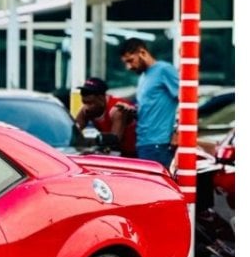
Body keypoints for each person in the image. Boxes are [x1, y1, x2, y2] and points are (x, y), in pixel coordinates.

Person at [120, 39, 178, 167]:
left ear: (142, 52)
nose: (129, 67)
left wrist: (177, 132)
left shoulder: (164, 70)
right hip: (144, 143)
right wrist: (132, 110)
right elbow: (150, 107)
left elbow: (186, 101)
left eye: (130, 61)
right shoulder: (143, 77)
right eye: (126, 63)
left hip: (159, 143)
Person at [74, 76, 137, 157]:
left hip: (132, 153)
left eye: (90, 103)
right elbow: (73, 132)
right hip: (113, 152)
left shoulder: (117, 110)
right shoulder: (86, 110)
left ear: (101, 98)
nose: (86, 107)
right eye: (84, 103)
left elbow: (113, 142)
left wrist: (88, 142)